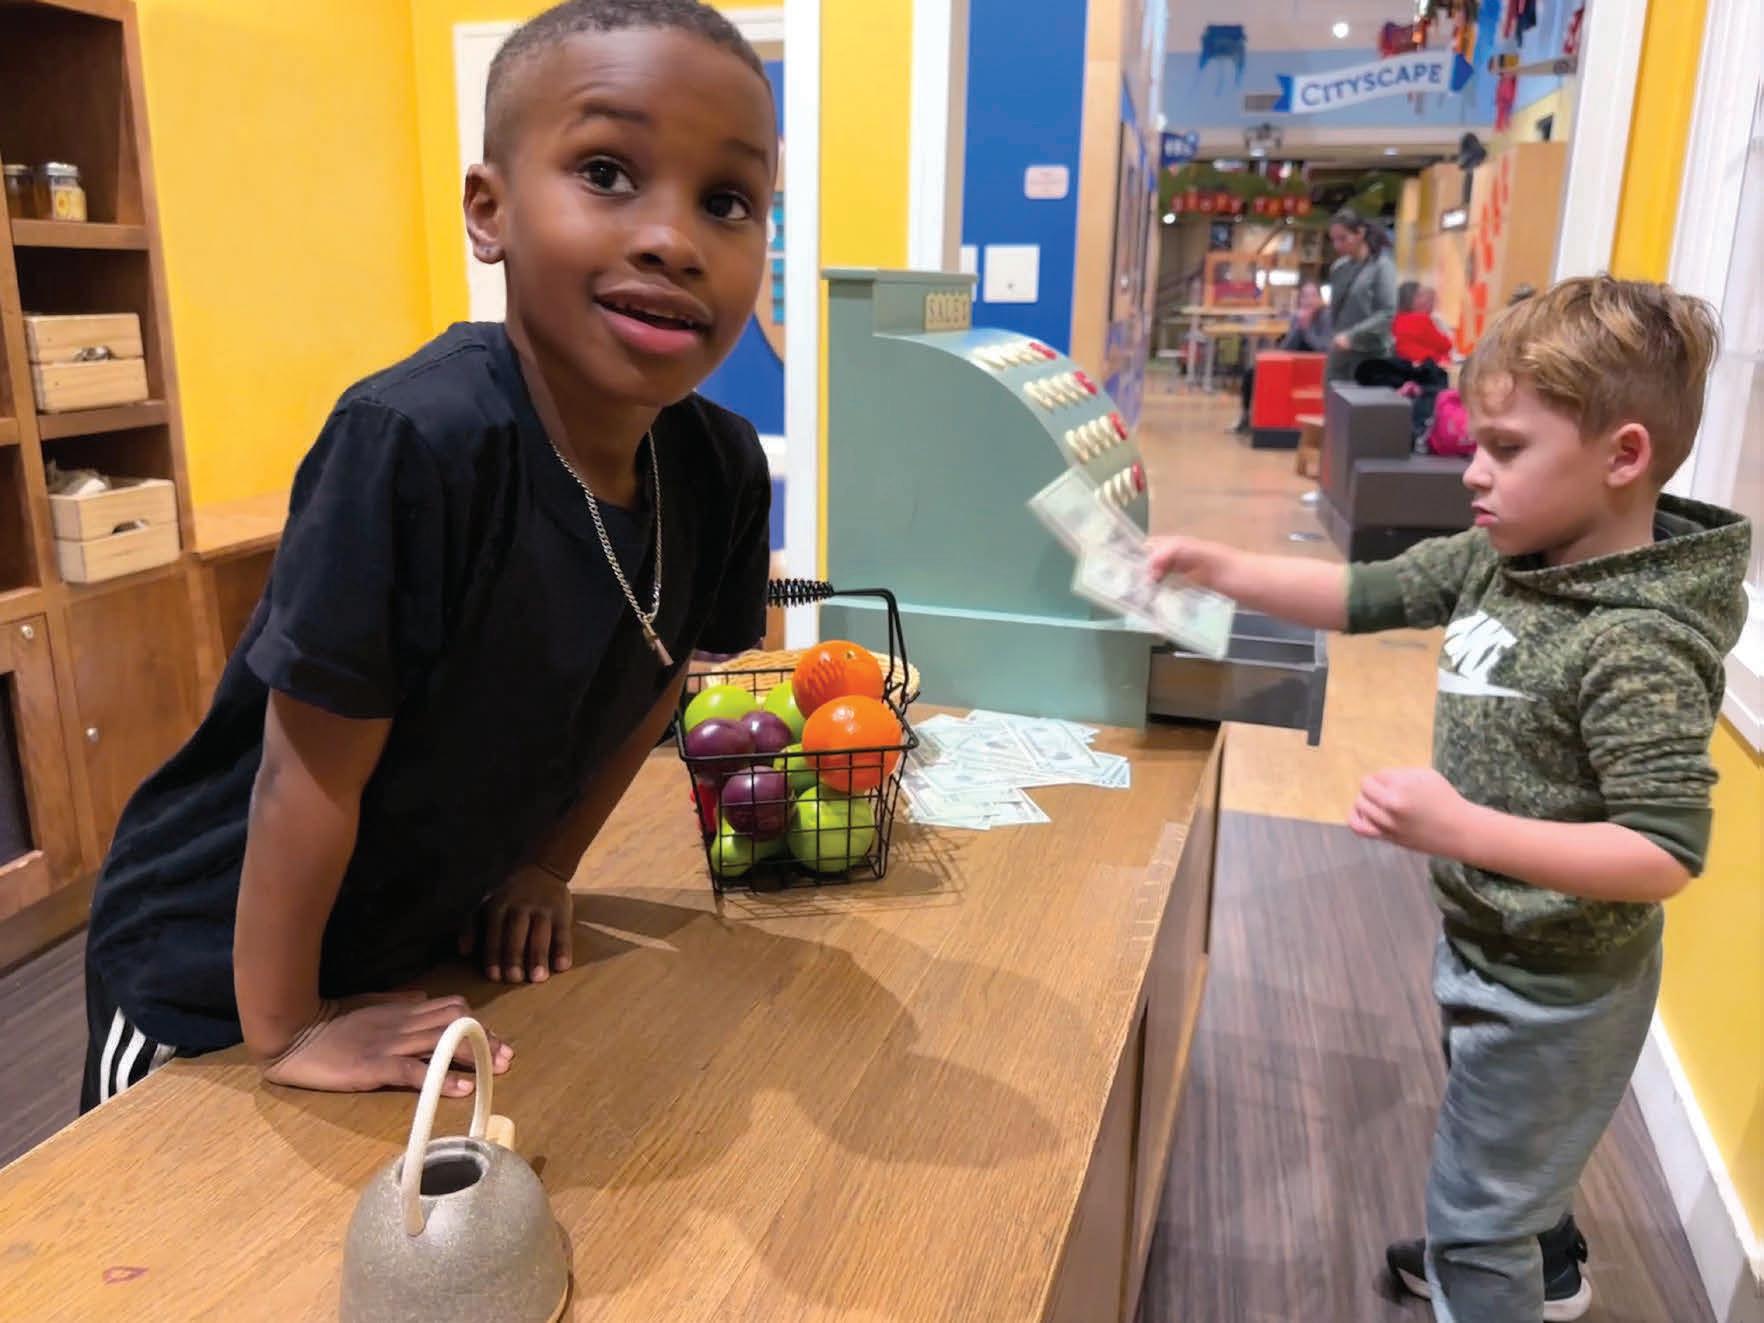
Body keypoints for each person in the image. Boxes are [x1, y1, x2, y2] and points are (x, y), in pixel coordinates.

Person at [79, 0, 778, 1109]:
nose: (672, 239)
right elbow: (301, 769)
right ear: (489, 213)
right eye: (606, 173)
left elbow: (663, 670)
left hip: (415, 944)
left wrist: (547, 864)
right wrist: (288, 1026)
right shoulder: (414, 442)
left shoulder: (722, 467)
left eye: (727, 200)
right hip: (215, 973)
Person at [1147, 276, 1750, 1322]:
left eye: (1506, 449)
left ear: (1624, 457)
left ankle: (1501, 1260)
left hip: (1558, 987)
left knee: (1476, 1225)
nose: (1472, 469)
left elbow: (1661, 854)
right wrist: (1222, 567)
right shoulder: (1501, 558)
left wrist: (1460, 827)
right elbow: (1360, 595)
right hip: (1486, 938)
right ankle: (1544, 1260)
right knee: (1508, 1148)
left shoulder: (1638, 643)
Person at [1235, 278, 1333, 433]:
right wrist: (1298, 327)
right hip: (1291, 366)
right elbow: (1285, 348)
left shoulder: (1326, 317)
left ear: (1320, 299)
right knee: (1251, 374)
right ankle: (1246, 416)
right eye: (1304, 296)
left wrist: (1307, 329)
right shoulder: (1297, 317)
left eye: (1313, 296)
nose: (1308, 300)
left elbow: (1323, 348)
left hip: (1314, 370)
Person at [1326, 206, 1399, 382]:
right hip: (1340, 350)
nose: (1337, 245)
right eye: (1334, 240)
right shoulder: (1339, 268)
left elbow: (1387, 312)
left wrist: (1352, 335)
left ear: (1360, 233)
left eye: (1343, 238)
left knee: (1363, 398)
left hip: (1371, 352)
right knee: (1333, 395)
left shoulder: (1382, 266)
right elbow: (1335, 310)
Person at [1391, 281, 1455, 366]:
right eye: (1420, 295)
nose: (1425, 300)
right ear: (1409, 299)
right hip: (1427, 366)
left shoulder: (1395, 319)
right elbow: (1446, 345)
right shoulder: (1421, 319)